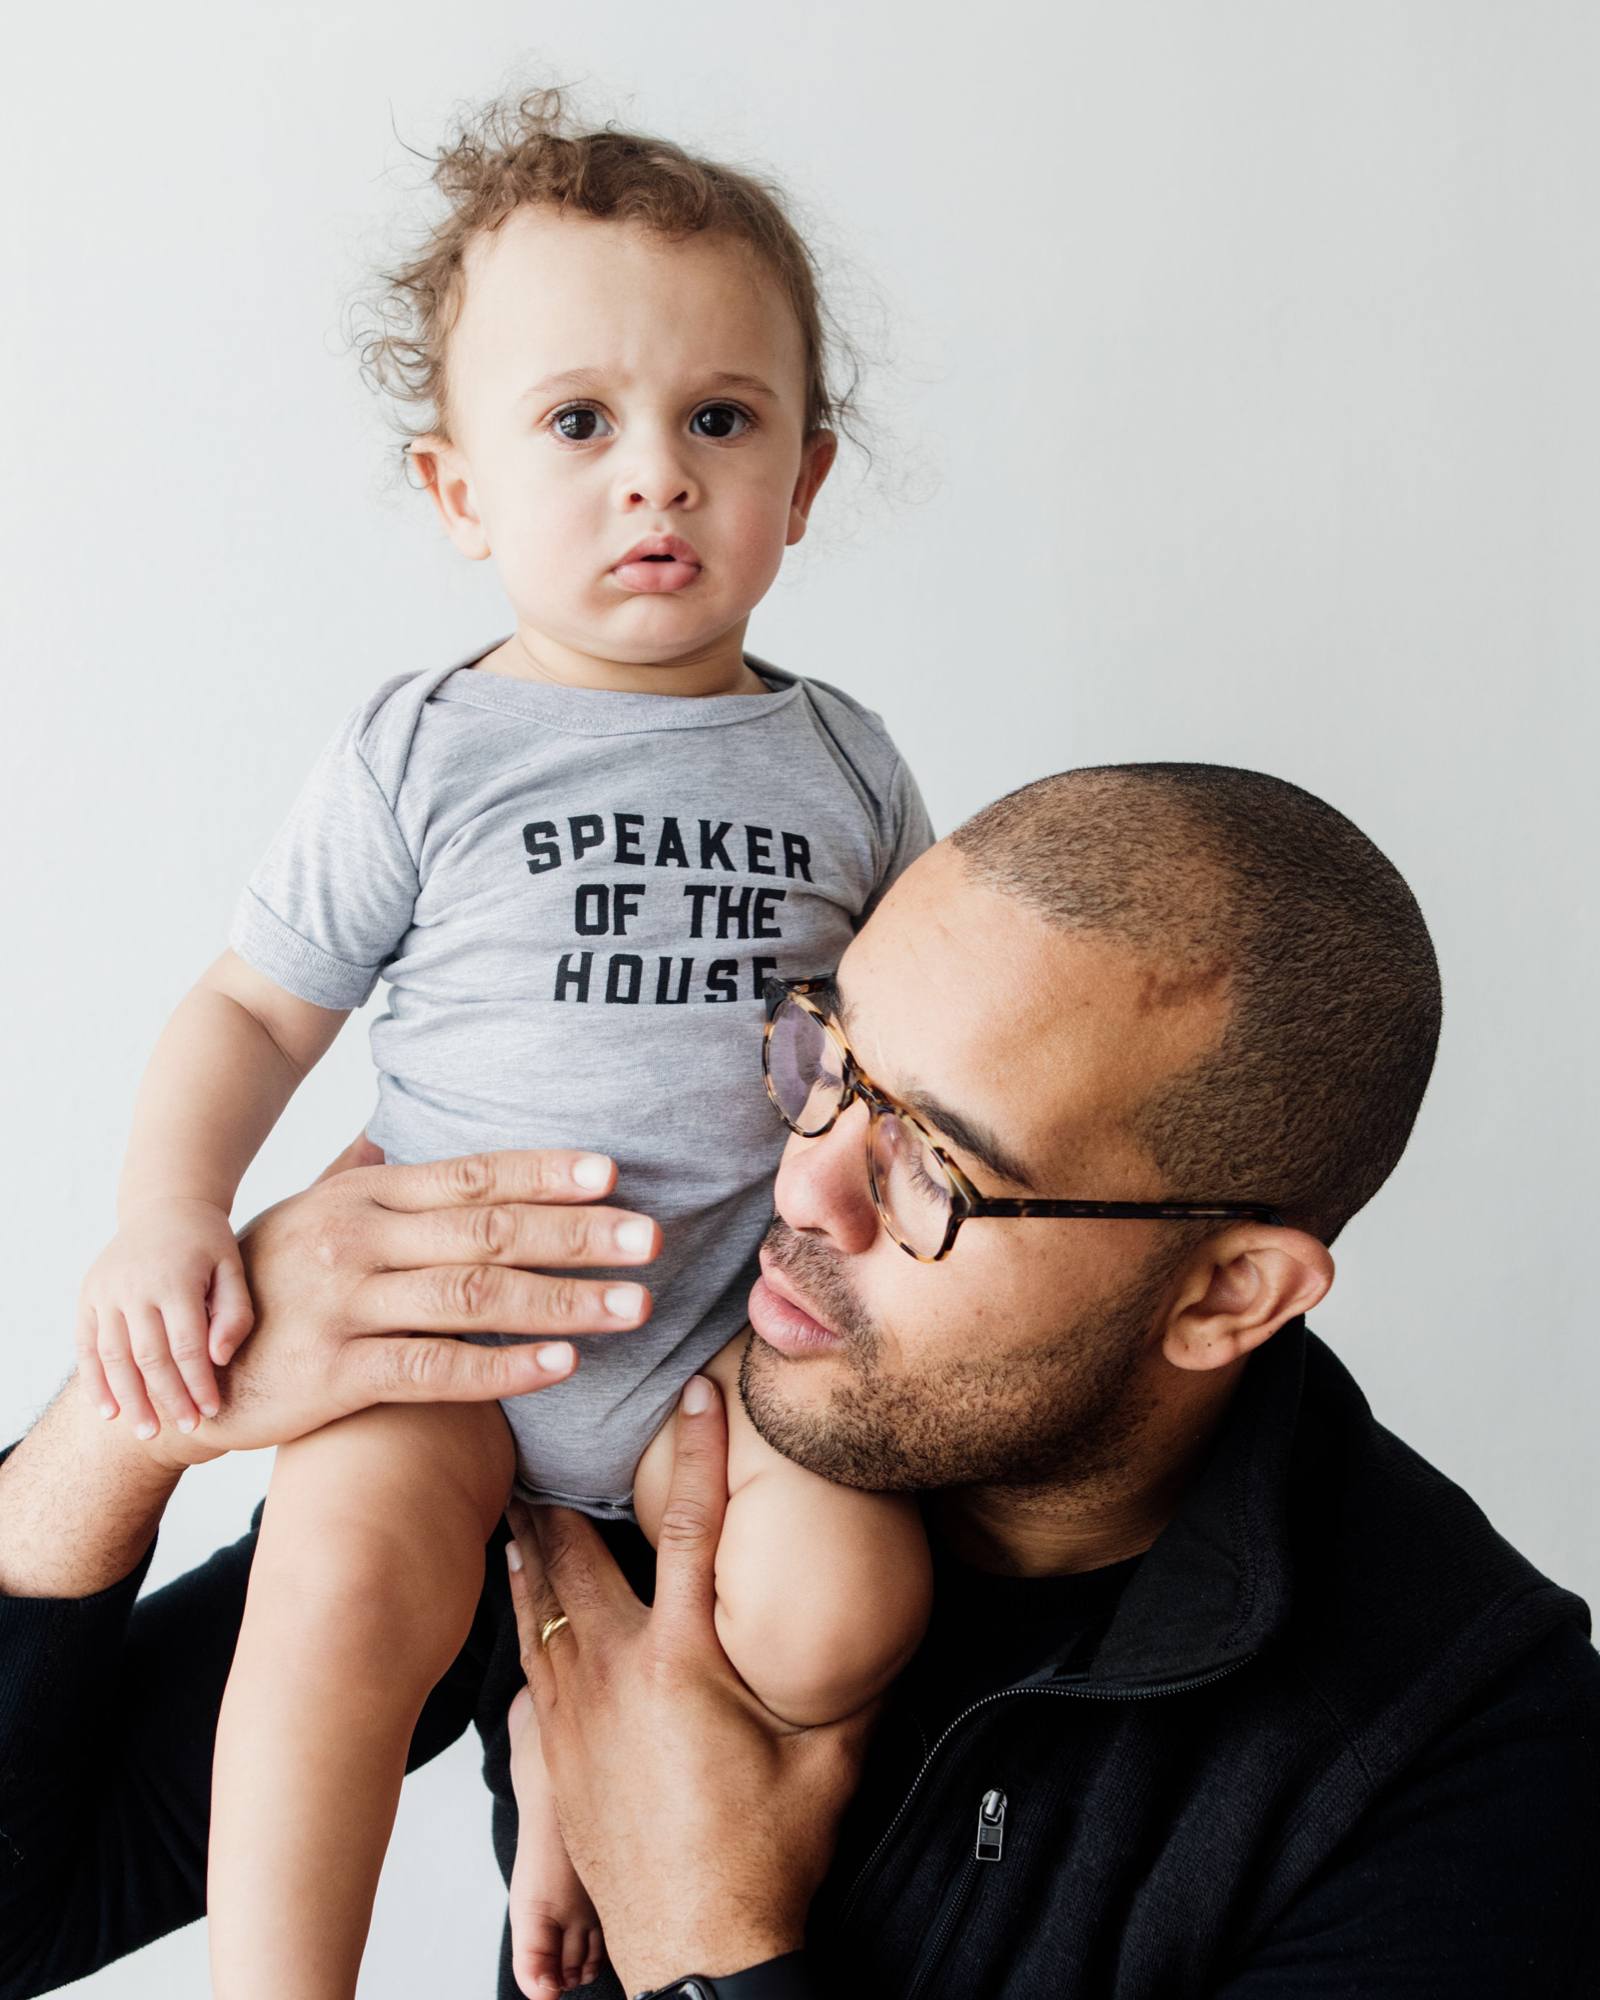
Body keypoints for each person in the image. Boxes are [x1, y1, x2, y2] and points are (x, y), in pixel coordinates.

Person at [6, 765, 1598, 1998]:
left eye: (935, 1174)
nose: (800, 1193)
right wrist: (144, 1406)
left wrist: (715, 1940)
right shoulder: (670, 1416)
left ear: (1225, 1292)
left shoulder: (1477, 1762)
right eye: (828, 1060)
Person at [66, 87, 935, 2000]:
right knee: (334, 1598)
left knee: (846, 1610)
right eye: (578, 423)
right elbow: (247, 1006)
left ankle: (581, 1752)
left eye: (722, 420)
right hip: (446, 1359)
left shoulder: (847, 762)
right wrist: (165, 1213)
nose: (658, 478)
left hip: (730, 1355)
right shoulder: (425, 747)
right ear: (459, 489)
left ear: (803, 482)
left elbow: (919, 1039)